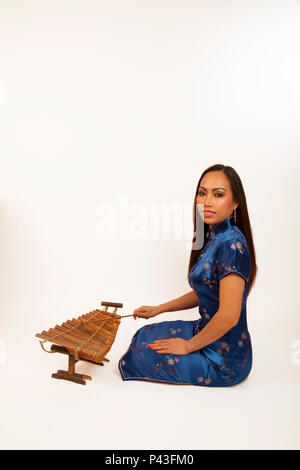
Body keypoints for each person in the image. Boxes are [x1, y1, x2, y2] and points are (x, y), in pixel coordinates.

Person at [118, 164, 258, 387]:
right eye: (202, 193)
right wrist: (158, 309)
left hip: (225, 359)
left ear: (235, 202)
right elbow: (205, 290)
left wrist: (187, 346)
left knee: (135, 358)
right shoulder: (213, 235)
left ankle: (202, 355)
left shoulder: (231, 244)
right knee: (143, 333)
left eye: (218, 194)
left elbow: (229, 317)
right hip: (205, 329)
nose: (207, 201)